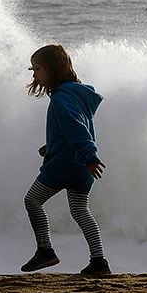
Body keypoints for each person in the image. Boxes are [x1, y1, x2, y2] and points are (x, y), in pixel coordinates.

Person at [21, 44, 111, 276]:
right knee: (80, 211)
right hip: (80, 166)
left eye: (37, 69)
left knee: (32, 201)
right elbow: (71, 128)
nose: (34, 74)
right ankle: (99, 261)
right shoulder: (77, 93)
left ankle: (45, 251)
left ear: (53, 69)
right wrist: (51, 145)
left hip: (64, 165)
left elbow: (77, 128)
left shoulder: (61, 99)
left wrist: (89, 154)